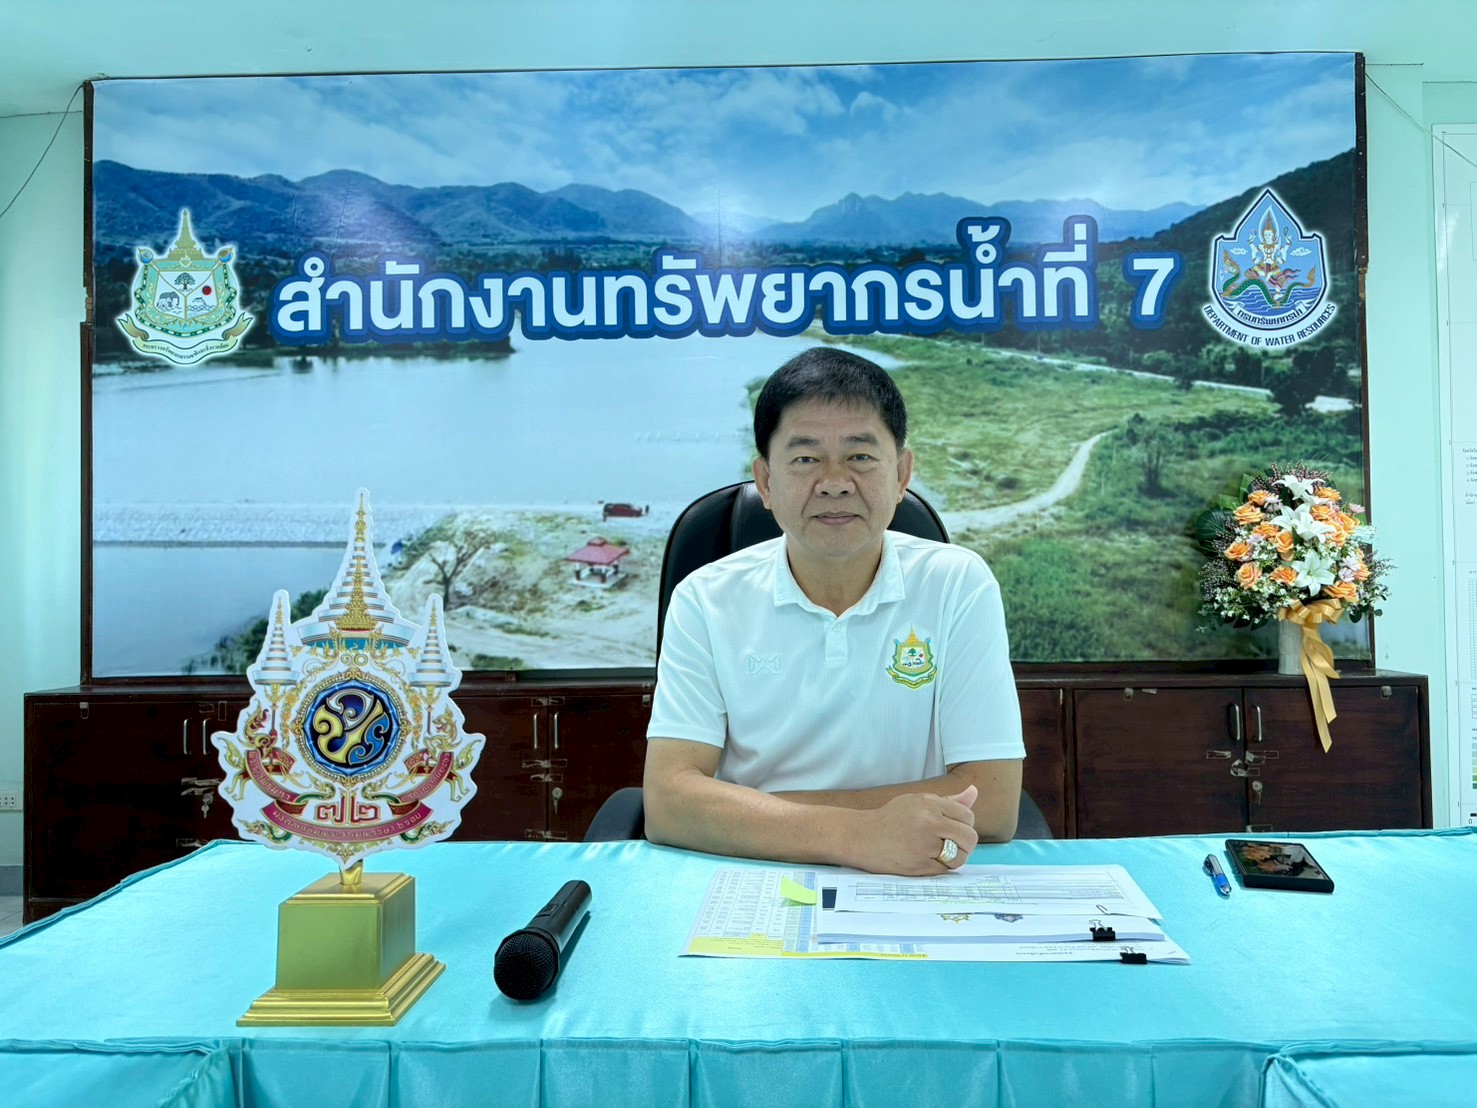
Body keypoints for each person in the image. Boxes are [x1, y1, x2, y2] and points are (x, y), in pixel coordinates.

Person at [643, 346, 1024, 875]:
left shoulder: (957, 584)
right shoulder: (705, 599)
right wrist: (858, 835)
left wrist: (751, 814)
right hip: (751, 875)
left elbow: (995, 801)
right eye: (805, 459)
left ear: (902, 474)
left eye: (860, 456)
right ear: (766, 482)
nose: (835, 481)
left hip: (912, 875)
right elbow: (668, 803)